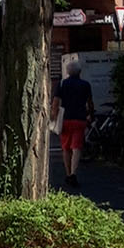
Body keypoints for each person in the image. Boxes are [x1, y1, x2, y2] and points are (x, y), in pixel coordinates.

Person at [51, 60, 93, 189]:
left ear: (68, 72)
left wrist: (53, 115)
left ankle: (68, 172)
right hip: (80, 118)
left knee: (66, 147)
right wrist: (90, 114)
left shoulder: (62, 84)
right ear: (80, 72)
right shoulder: (85, 85)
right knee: (77, 147)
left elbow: (56, 102)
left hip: (65, 119)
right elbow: (89, 102)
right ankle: (74, 173)